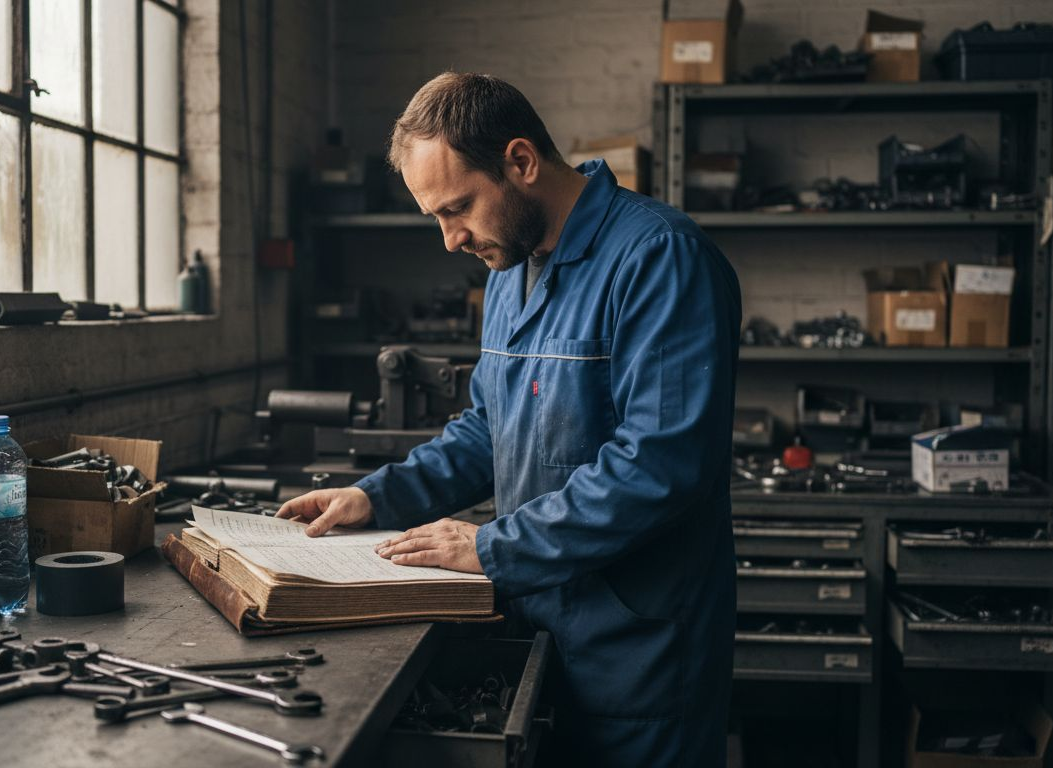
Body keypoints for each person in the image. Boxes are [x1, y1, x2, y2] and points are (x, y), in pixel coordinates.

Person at [277, 72, 740, 767]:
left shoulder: (658, 259)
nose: (449, 239)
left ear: (521, 163)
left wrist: (491, 547)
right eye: (436, 216)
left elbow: (658, 467)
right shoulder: (509, 270)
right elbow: (487, 427)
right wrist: (376, 496)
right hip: (536, 627)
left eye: (457, 208)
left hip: (638, 657)